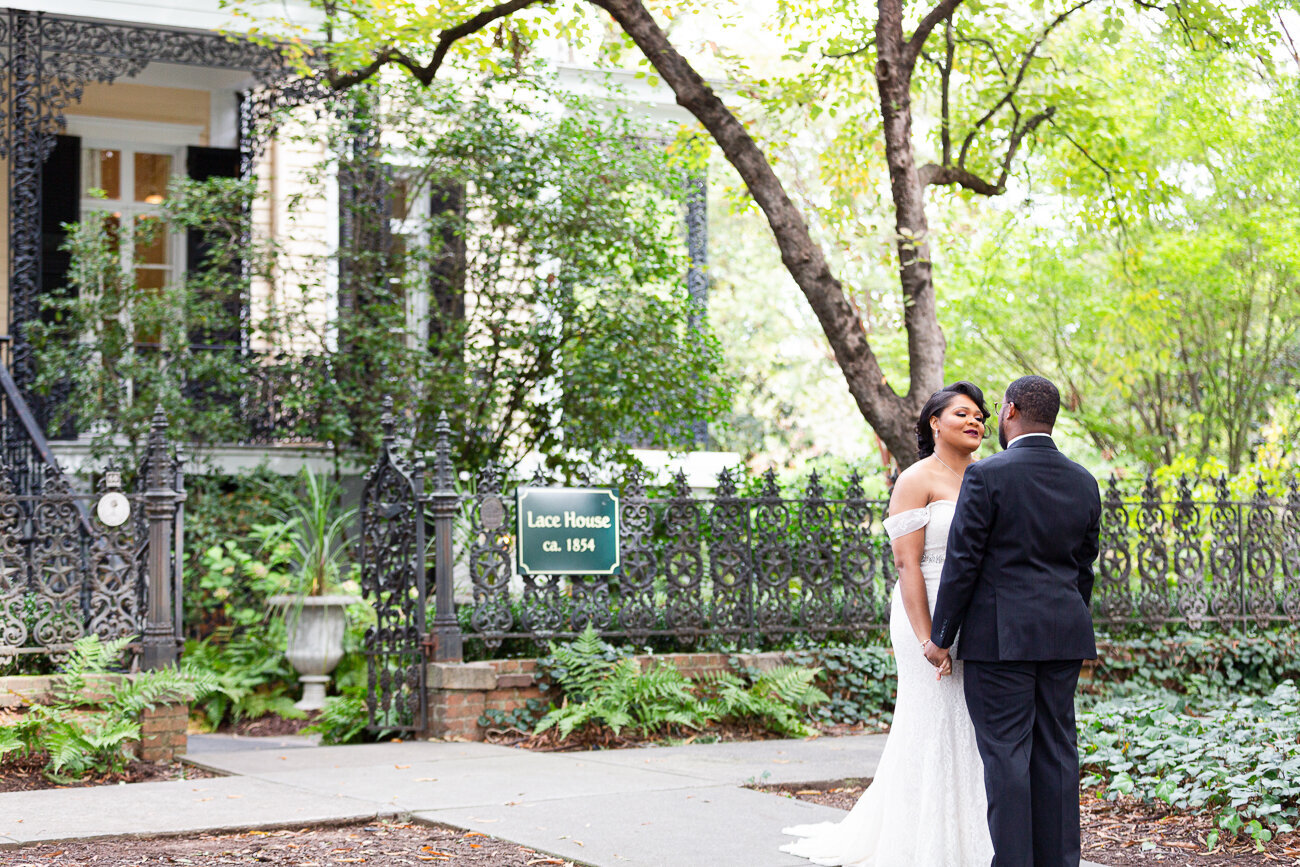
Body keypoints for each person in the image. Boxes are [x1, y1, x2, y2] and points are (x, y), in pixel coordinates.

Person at [781, 381, 995, 866]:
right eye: (962, 413)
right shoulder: (916, 478)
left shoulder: (989, 477)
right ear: (934, 423)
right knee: (933, 718)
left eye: (980, 415)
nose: (975, 420)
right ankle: (921, 840)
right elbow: (907, 564)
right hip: (926, 609)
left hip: (979, 614)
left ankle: (976, 836)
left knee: (971, 723)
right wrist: (929, 637)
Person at [925, 375, 1101, 867]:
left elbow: (963, 564)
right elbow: (1083, 569)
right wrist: (1065, 618)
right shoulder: (1084, 481)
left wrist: (942, 638)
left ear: (1010, 410)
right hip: (1064, 635)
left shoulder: (987, 476)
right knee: (1057, 752)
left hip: (999, 640)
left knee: (1006, 756)